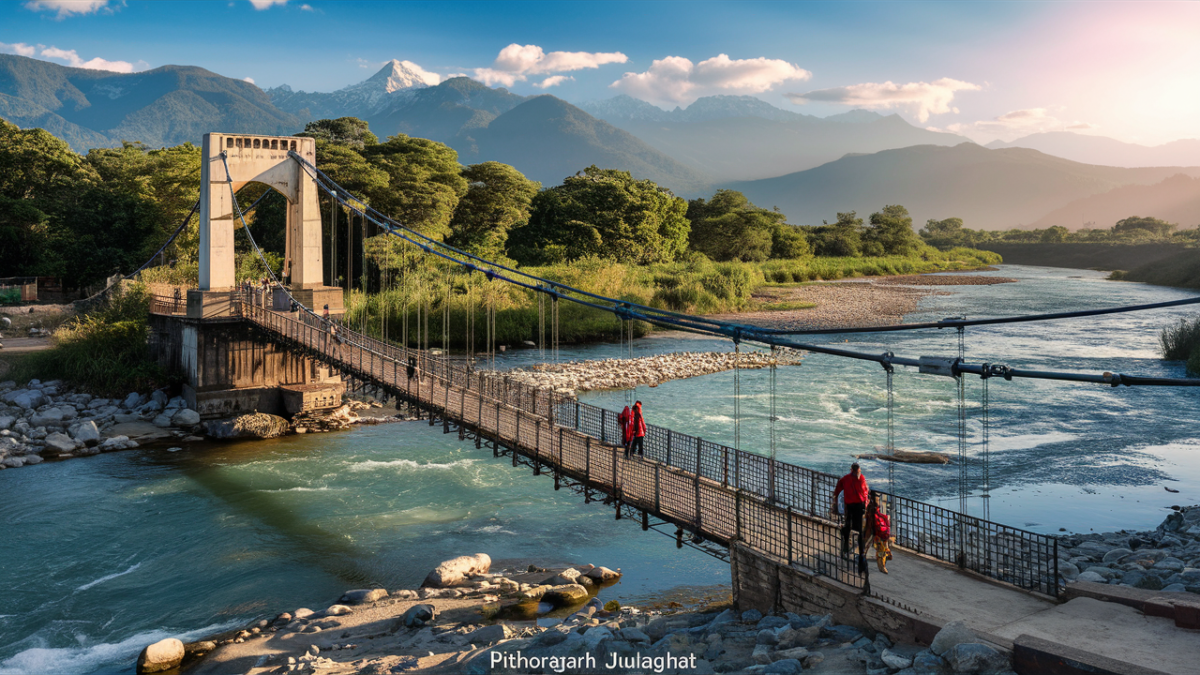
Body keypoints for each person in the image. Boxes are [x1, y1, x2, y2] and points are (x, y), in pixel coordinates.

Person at [832, 462, 869, 557]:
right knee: (859, 528)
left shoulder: (846, 479)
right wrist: (866, 504)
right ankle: (860, 551)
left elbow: (837, 491)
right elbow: (865, 492)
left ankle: (846, 548)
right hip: (857, 506)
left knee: (849, 526)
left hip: (851, 506)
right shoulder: (861, 478)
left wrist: (836, 501)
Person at [864, 491, 894, 574]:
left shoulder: (873, 507)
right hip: (876, 530)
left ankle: (882, 562)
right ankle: (881, 566)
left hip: (877, 529)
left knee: (871, 545)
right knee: (880, 548)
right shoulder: (872, 507)